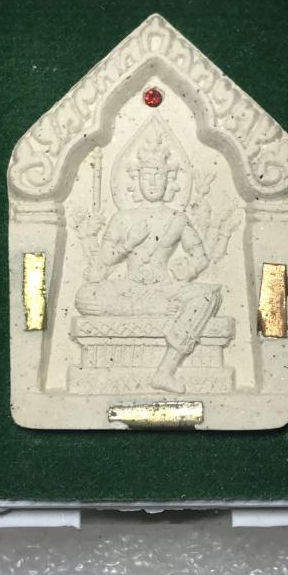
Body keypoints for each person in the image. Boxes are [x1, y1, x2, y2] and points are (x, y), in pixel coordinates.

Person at [75, 131, 222, 393]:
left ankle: (165, 371)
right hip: (128, 288)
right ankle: (149, 308)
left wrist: (188, 270)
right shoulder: (122, 218)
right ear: (136, 180)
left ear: (170, 181)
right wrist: (127, 244)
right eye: (146, 176)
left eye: (159, 176)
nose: (153, 182)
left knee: (208, 296)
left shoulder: (177, 219)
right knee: (85, 296)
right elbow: (100, 265)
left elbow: (200, 256)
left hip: (164, 287)